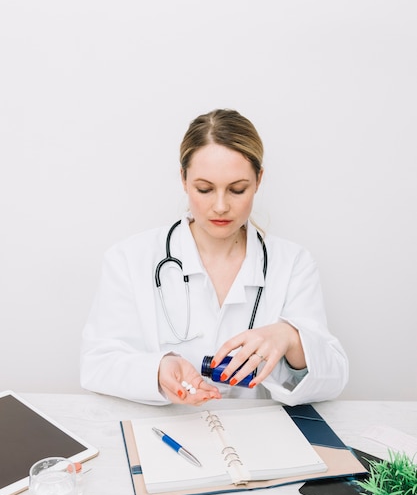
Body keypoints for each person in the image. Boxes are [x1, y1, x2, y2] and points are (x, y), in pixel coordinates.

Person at [80, 109, 348, 406]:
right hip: (165, 431)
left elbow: (333, 378)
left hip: (256, 439)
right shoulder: (130, 258)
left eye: (237, 189)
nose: (220, 206)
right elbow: (96, 364)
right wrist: (156, 369)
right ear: (183, 179)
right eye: (204, 189)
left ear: (258, 180)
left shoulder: (293, 263)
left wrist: (290, 338)